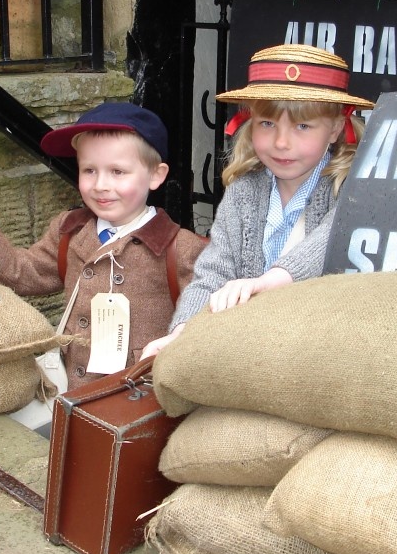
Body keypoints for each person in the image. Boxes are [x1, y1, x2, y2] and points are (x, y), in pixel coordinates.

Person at [0, 102, 207, 395]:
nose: (100, 185)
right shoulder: (70, 232)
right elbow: (20, 274)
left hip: (137, 404)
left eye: (117, 171)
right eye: (89, 170)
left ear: (155, 175)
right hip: (71, 391)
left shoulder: (179, 248)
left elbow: (205, 325)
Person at [142, 43, 374, 358]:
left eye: (302, 126)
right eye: (267, 124)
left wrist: (267, 282)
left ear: (334, 129)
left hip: (322, 350)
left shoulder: (349, 189)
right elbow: (213, 271)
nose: (281, 142)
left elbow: (329, 240)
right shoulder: (243, 192)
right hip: (252, 349)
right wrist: (184, 332)